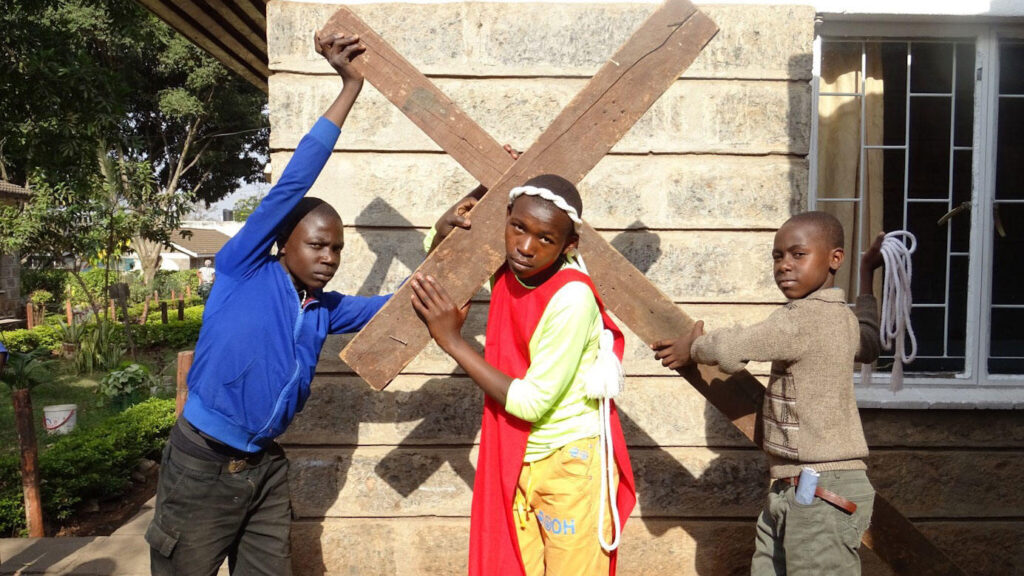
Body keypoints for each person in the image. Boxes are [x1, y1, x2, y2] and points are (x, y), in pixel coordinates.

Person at [146, 33, 387, 576]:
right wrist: (350, 86)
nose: (329, 257)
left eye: (337, 249)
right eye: (317, 244)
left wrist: (450, 241)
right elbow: (296, 178)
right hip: (200, 465)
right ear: (284, 242)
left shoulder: (324, 308)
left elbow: (396, 305)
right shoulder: (244, 268)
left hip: (264, 470)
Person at [410, 174, 637, 576]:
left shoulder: (572, 298)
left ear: (569, 245)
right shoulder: (506, 266)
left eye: (545, 239)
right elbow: (442, 255)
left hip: (570, 461)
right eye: (518, 228)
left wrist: (453, 342)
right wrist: (475, 197)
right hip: (519, 458)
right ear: (506, 220)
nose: (526, 247)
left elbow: (532, 403)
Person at [651, 212, 885, 575]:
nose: (784, 266)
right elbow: (870, 341)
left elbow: (734, 346)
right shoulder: (841, 318)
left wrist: (694, 347)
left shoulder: (802, 318)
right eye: (778, 256)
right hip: (798, 488)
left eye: (798, 254)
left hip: (820, 490)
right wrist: (867, 277)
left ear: (834, 259)